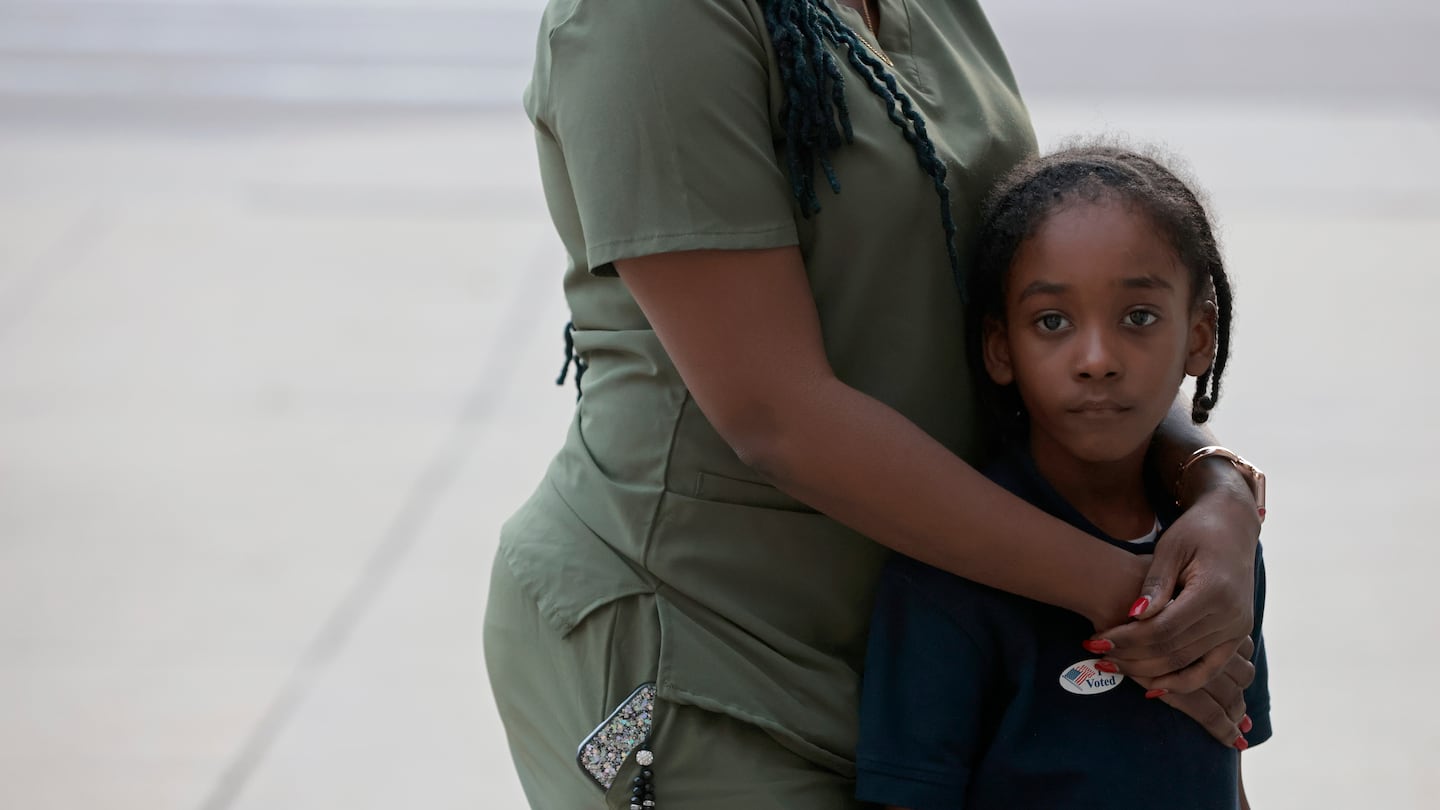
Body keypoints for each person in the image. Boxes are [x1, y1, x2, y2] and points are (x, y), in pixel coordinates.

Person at [483, 1, 1266, 807]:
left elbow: (1039, 319)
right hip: (709, 653)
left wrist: (1215, 490)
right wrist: (1143, 606)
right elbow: (774, 414)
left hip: (940, 650)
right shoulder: (651, 20)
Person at [855, 144, 1271, 810]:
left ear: (1200, 338)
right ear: (1000, 348)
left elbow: (1228, 763)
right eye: (1052, 322)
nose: (1097, 360)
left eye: (1138, 318)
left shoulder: (1216, 558)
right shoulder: (945, 579)